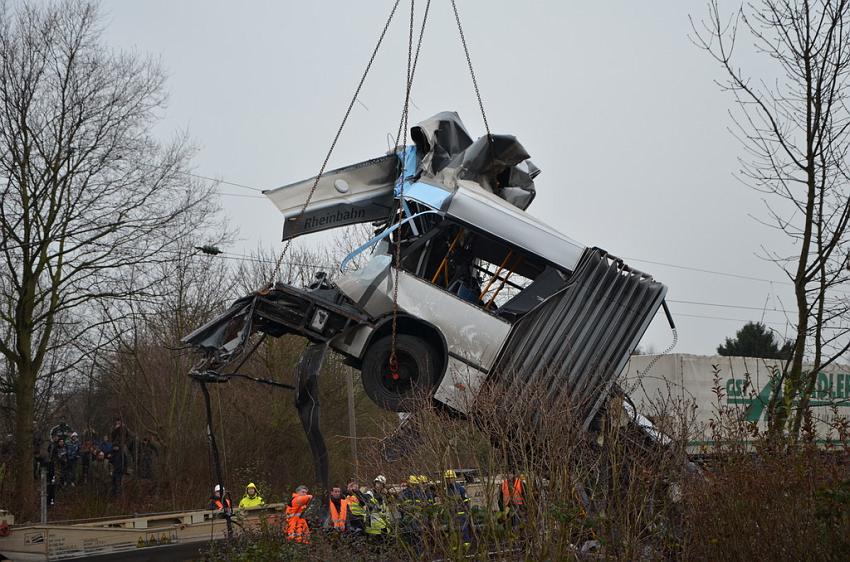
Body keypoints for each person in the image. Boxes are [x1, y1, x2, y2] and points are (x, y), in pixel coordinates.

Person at [443, 469, 472, 547]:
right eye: (448, 478)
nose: (449, 480)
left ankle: (467, 545)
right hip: (451, 513)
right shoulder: (445, 489)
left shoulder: (459, 488)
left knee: (463, 529)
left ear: (454, 478)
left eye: (451, 478)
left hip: (461, 512)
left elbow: (466, 499)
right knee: (452, 531)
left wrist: (467, 510)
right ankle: (455, 547)